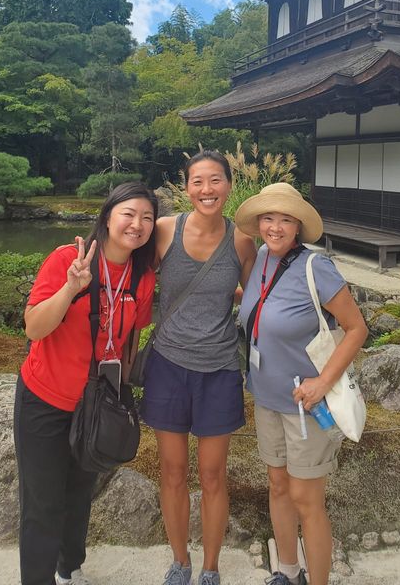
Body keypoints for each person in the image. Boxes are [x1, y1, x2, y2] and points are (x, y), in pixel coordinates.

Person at [14, 182, 159, 585]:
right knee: (42, 502)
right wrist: (70, 287)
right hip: (44, 399)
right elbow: (34, 326)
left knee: (80, 494)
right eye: (128, 213)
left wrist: (125, 394)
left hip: (96, 402)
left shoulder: (142, 276)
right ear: (108, 216)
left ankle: (69, 569)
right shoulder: (68, 258)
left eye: (147, 217)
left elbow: (130, 338)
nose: (137, 224)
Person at [234, 183, 368, 585]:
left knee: (307, 500)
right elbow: (259, 302)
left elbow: (356, 328)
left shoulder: (316, 267)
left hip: (305, 404)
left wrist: (320, 382)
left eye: (285, 219)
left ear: (298, 226)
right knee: (277, 486)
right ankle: (287, 572)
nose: (275, 227)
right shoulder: (259, 258)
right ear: (259, 223)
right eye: (268, 218)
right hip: (265, 397)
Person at [139, 149, 256, 585]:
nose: (206, 190)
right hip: (168, 364)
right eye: (197, 182)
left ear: (228, 184)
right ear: (185, 188)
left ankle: (210, 566)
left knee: (212, 474)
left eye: (215, 181)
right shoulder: (165, 230)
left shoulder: (243, 240)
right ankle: (179, 561)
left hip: (221, 367)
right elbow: (134, 279)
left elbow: (259, 294)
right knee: (171, 471)